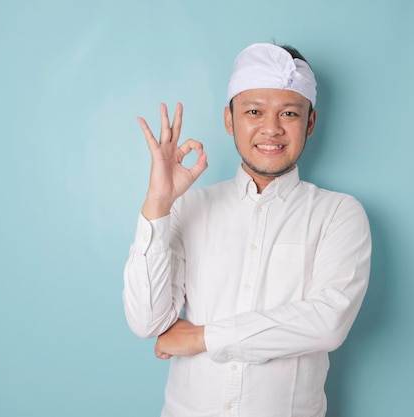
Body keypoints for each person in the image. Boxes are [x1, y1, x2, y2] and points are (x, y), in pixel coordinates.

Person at [123, 42, 372, 417]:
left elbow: (327, 323)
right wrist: (158, 205)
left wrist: (201, 338)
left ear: (310, 122)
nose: (270, 129)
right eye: (253, 111)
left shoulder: (339, 214)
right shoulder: (188, 206)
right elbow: (147, 321)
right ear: (229, 119)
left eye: (289, 113)